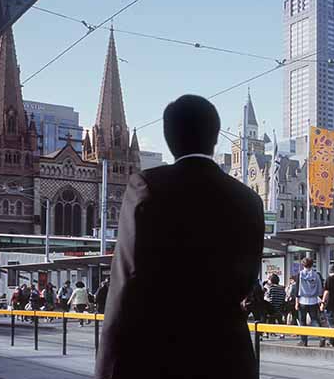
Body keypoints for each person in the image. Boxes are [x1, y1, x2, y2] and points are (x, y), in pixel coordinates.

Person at [97, 95, 263, 379]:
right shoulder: (249, 200)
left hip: (160, 354)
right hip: (229, 356)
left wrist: (107, 370)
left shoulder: (147, 186)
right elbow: (247, 280)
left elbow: (125, 282)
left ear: (169, 138)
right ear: (214, 137)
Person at [296, 258, 324, 347]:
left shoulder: (300, 275)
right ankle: (321, 337)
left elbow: (297, 290)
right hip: (313, 301)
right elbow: (320, 289)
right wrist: (320, 299)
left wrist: (296, 302)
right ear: (312, 265)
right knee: (315, 320)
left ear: (303, 265)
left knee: (302, 321)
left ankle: (304, 341)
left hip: (302, 301)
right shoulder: (316, 275)